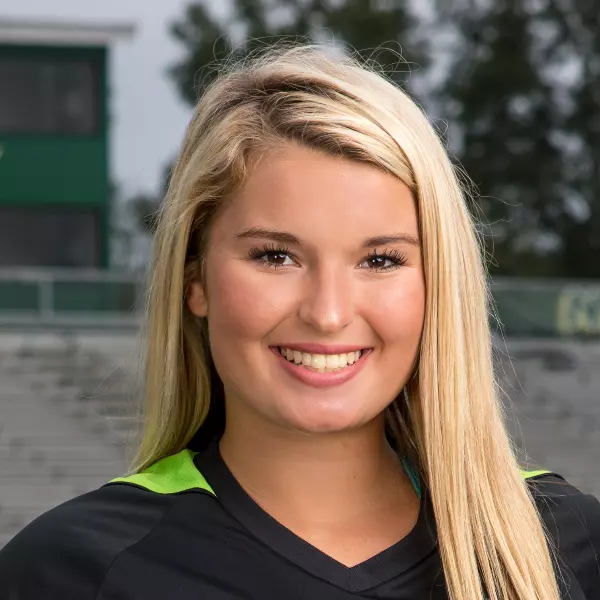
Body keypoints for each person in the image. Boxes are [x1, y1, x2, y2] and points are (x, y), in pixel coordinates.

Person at [1, 45, 599, 600]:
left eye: (380, 260)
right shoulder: (70, 572)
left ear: (439, 283)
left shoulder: (569, 543)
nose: (329, 313)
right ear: (195, 281)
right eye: (275, 256)